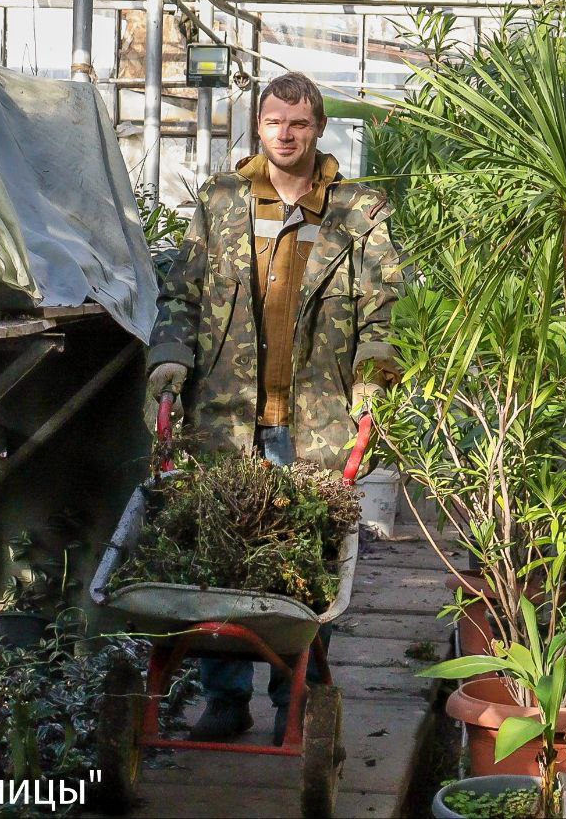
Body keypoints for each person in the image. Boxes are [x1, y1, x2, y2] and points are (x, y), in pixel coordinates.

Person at [145, 71, 403, 744]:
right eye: (272, 123)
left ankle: (297, 701)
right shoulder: (221, 201)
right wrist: (169, 356)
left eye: (298, 124)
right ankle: (224, 700)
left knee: (304, 560)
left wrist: (373, 371)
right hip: (225, 417)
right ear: (257, 127)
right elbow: (181, 292)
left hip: (312, 421)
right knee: (221, 555)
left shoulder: (357, 210)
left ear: (318, 129)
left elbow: (385, 301)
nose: (285, 135)